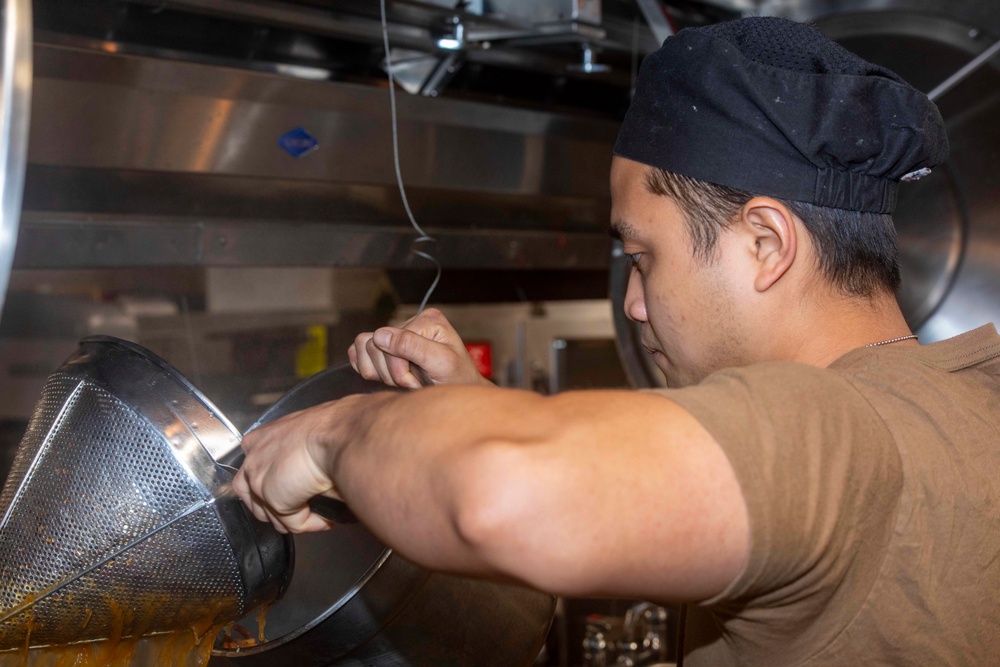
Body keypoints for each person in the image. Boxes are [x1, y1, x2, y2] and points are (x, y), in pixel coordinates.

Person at [233, 17, 1000, 666]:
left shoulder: (834, 430)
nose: (632, 304)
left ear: (766, 243)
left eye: (643, 257)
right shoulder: (962, 399)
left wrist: (333, 433)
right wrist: (471, 409)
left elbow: (503, 492)